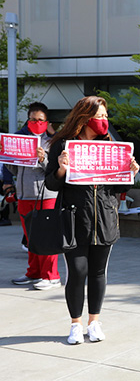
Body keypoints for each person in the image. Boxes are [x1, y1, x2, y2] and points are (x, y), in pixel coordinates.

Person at [45, 96, 140, 345]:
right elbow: (51, 183)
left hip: (105, 216)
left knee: (98, 272)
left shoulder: (110, 144)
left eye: (106, 116)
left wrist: (130, 172)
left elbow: (120, 186)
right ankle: (76, 324)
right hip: (74, 217)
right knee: (77, 271)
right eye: (100, 117)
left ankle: (94, 322)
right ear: (85, 117)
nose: (104, 121)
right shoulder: (63, 145)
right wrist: (61, 168)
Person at [4, 102, 62, 290]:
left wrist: (42, 159)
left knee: (46, 236)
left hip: (46, 195)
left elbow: (55, 170)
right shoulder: (21, 140)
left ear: (47, 121)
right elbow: (14, 169)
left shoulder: (54, 142)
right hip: (24, 194)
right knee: (31, 238)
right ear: (27, 120)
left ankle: (51, 276)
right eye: (32, 119)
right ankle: (34, 273)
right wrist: (6, 156)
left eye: (40, 120)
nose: (36, 122)